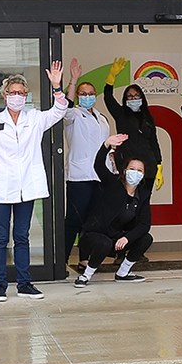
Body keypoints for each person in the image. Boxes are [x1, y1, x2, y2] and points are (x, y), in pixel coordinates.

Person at [0, 62, 68, 302]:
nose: (17, 96)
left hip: (26, 188)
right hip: (0, 187)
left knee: (22, 236)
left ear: (26, 96)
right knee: (0, 237)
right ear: (5, 95)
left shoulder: (35, 119)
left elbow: (59, 111)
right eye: (12, 93)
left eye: (21, 93)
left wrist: (57, 87)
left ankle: (24, 283)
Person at [74, 134, 154, 286]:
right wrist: (106, 145)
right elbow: (98, 165)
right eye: (132, 169)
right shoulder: (113, 184)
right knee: (103, 242)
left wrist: (127, 238)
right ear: (124, 171)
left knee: (146, 238)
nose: (135, 172)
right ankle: (85, 276)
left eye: (139, 170)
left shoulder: (143, 195)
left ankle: (123, 273)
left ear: (143, 175)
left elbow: (145, 224)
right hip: (95, 236)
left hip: (117, 239)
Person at [62, 57, 110, 272]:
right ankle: (60, 260)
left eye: (91, 93)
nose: (88, 97)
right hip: (80, 176)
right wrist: (73, 81)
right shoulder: (74, 115)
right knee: (74, 220)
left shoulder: (102, 118)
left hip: (100, 176)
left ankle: (84, 259)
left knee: (92, 222)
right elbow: (65, 108)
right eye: (83, 93)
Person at [102, 57, 163, 189]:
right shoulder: (120, 113)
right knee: (127, 201)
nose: (133, 98)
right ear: (125, 99)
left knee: (144, 202)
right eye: (129, 96)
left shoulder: (148, 117)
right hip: (127, 164)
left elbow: (153, 141)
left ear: (142, 98)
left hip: (148, 165)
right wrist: (111, 78)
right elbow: (108, 97)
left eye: (136, 95)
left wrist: (159, 164)